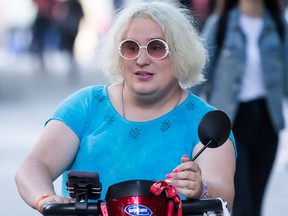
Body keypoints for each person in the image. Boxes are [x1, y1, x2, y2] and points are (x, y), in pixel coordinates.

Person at [15, 1, 236, 214]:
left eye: (156, 47)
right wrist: (45, 197)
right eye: (130, 48)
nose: (141, 59)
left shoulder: (205, 121)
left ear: (180, 54)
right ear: (118, 56)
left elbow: (225, 193)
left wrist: (202, 187)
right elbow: (34, 166)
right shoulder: (85, 105)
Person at [192, 0, 288, 215]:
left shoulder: (278, 25)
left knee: (256, 201)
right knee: (241, 201)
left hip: (267, 121)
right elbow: (199, 75)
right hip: (231, 122)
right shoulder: (222, 23)